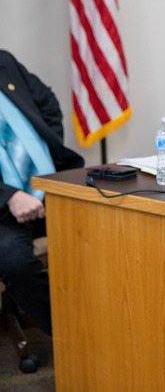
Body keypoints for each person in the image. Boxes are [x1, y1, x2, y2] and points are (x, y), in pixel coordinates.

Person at [0, 50, 84, 336]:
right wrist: (7, 195)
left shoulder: (4, 62)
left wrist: (46, 149)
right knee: (16, 262)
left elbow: (46, 101)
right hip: (4, 206)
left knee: (98, 227)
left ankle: (102, 314)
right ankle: (70, 337)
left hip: (43, 184)